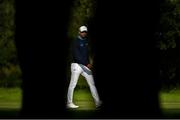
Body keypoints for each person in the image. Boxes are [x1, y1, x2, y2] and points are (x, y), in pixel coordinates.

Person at [67, 25, 102, 109]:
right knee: (73, 84)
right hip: (76, 65)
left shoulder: (86, 41)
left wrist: (88, 63)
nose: (84, 33)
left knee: (92, 84)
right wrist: (87, 64)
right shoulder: (75, 41)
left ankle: (97, 102)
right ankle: (69, 103)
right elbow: (76, 56)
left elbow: (86, 55)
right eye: (82, 31)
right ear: (79, 32)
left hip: (85, 65)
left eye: (85, 31)